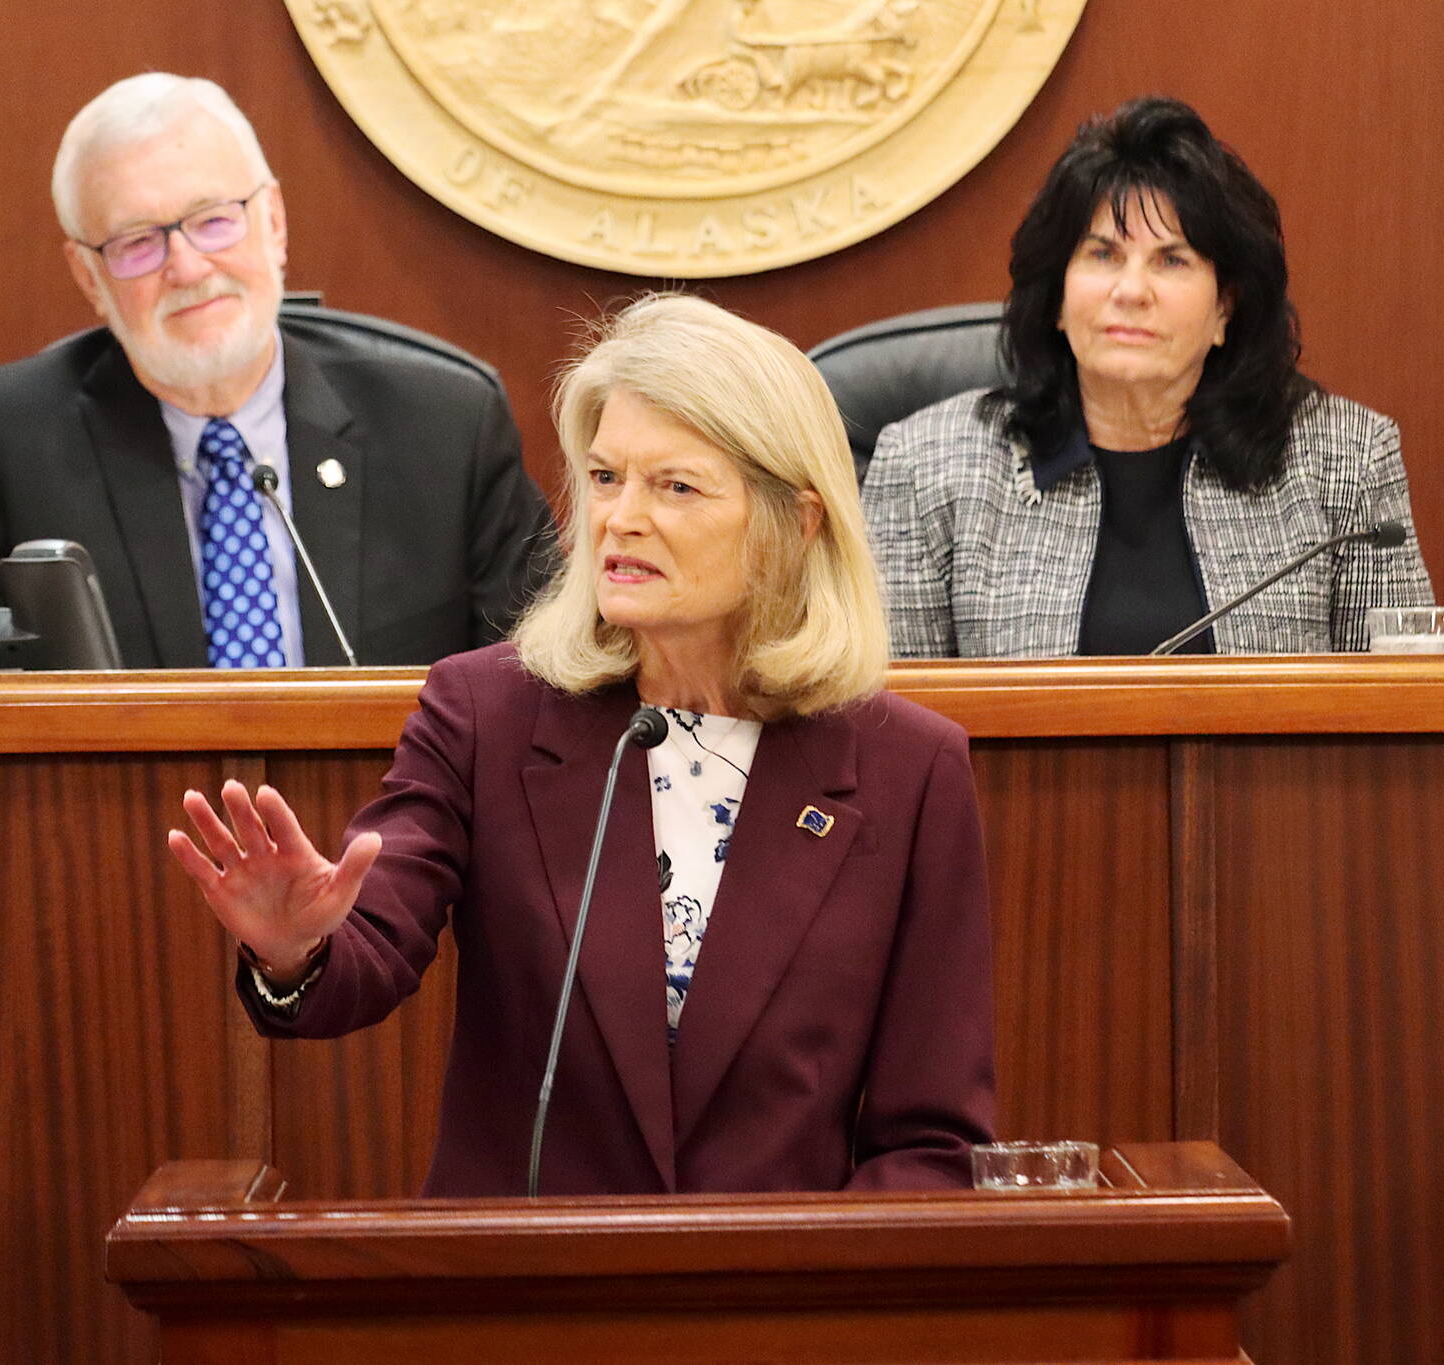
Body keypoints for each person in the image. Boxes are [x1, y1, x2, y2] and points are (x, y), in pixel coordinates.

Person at [169, 294, 995, 1196]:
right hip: (523, 1304)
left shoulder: (908, 770)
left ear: (792, 525)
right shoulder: (485, 712)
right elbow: (371, 945)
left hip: (779, 1313)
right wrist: (296, 950)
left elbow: (931, 1141)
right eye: (605, 478)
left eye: (675, 485)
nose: (621, 518)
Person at [0, 73, 555, 667]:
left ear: (274, 223)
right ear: (88, 275)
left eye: (213, 221)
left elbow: (550, 681)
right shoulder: (3, 444)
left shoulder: (445, 428)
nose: (186, 267)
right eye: (137, 242)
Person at [861, 96, 1434, 657]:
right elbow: (894, 730)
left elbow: (1403, 721)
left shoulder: (1344, 460)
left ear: (1224, 309)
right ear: (1057, 297)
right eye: (1103, 255)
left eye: (1172, 260)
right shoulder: (928, 469)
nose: (1131, 291)